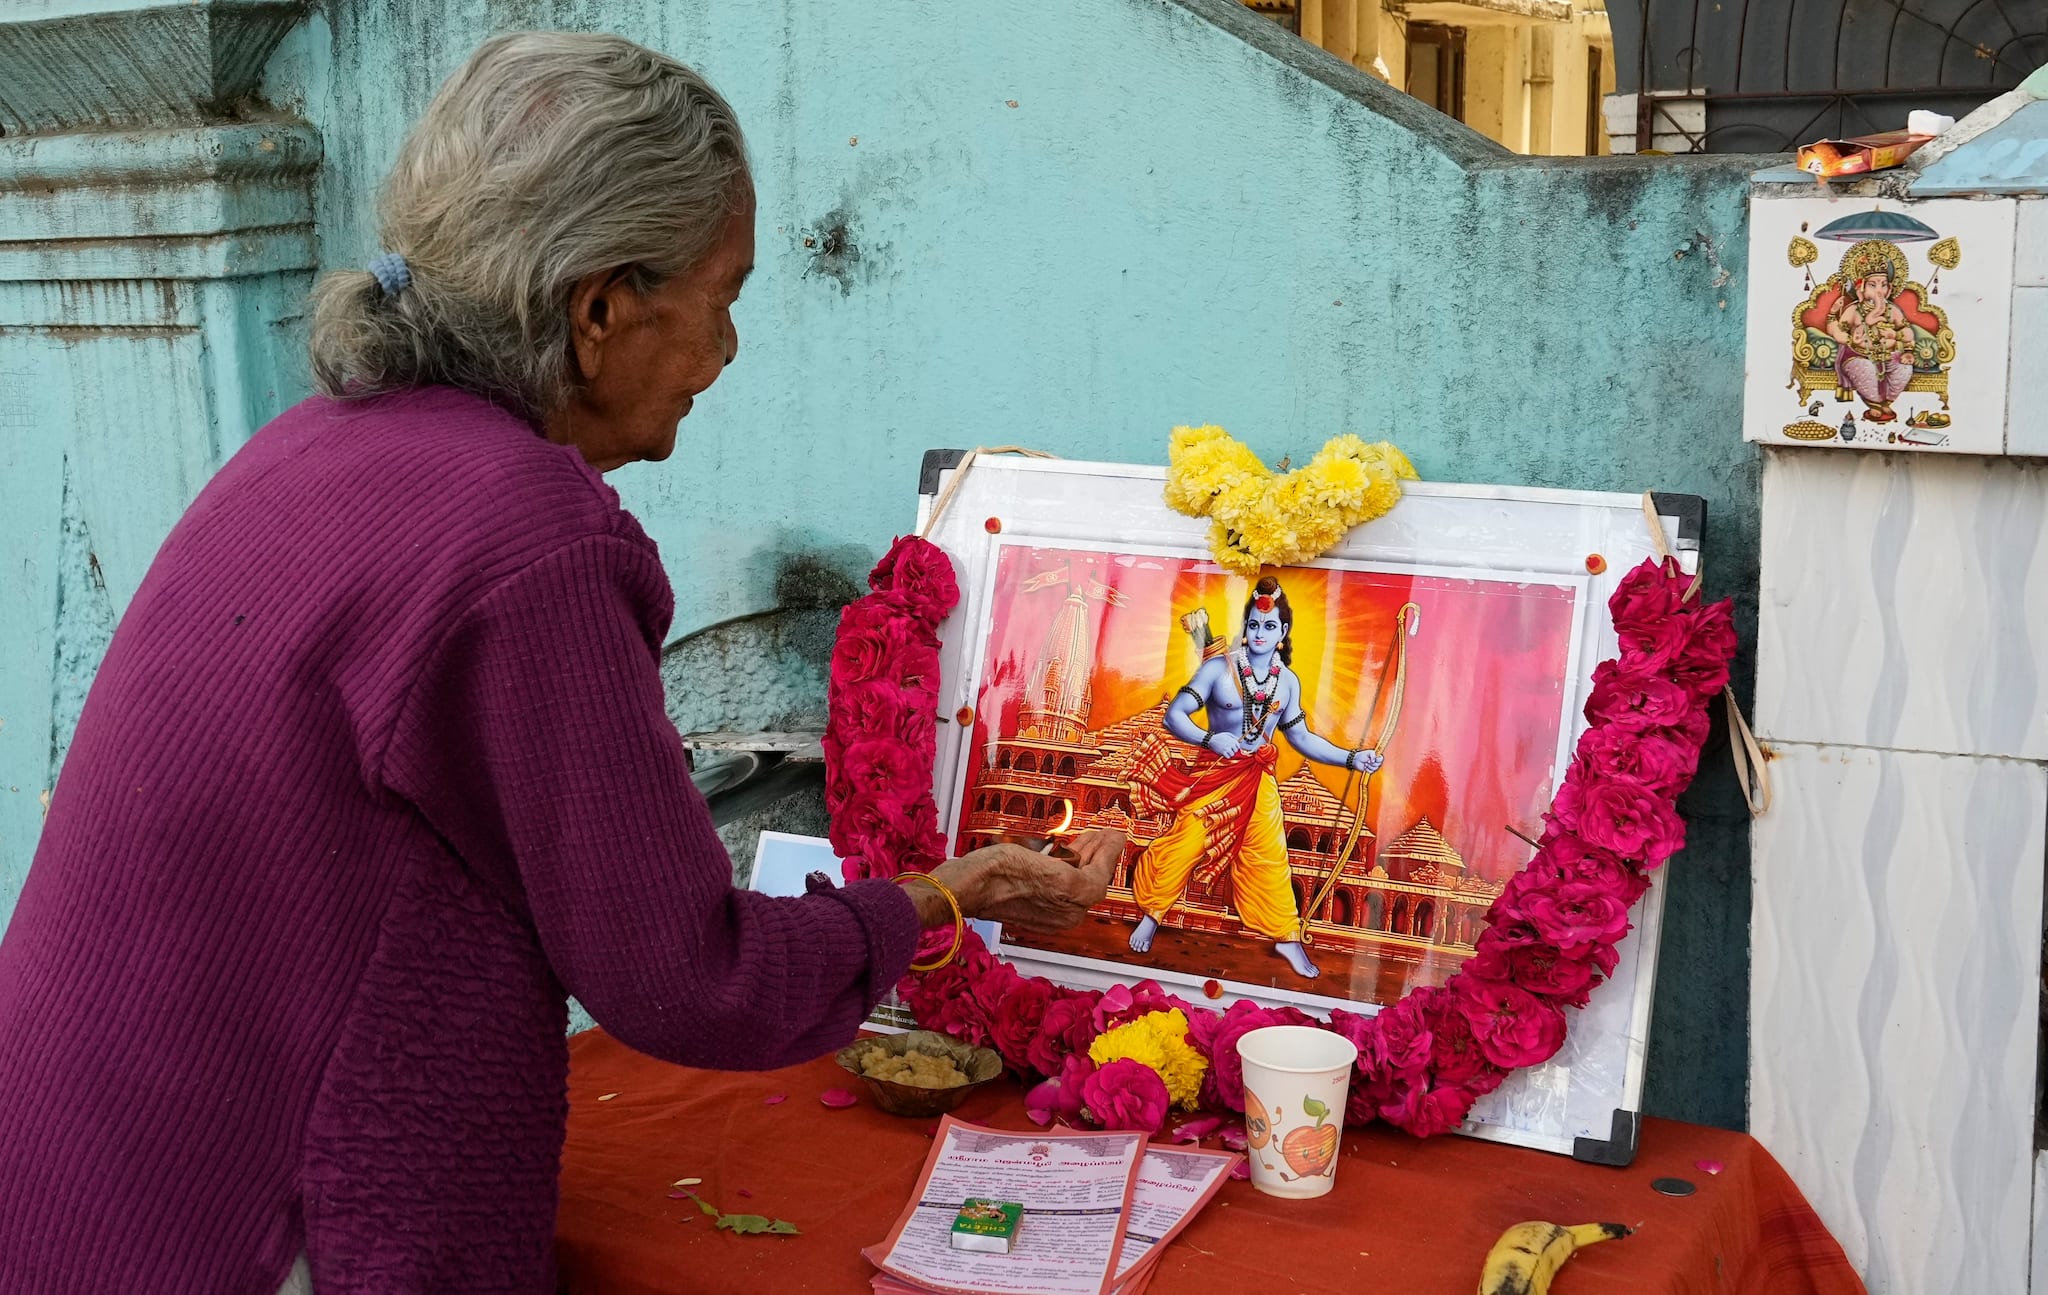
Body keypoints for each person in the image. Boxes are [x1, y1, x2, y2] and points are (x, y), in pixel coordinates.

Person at [0, 32, 1119, 1295]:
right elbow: (689, 978)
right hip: (256, 1227)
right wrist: (936, 895)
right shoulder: (528, 535)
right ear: (597, 309)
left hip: (73, 1172)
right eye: (724, 294)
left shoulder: (314, 444)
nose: (731, 348)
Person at [1125, 576, 1380, 980]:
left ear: (1283, 633)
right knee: (1186, 840)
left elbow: (1301, 738)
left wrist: (1352, 758)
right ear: (1245, 627)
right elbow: (1174, 716)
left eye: (1270, 627)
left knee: (1270, 857)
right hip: (1215, 773)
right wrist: (1211, 738)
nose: (1260, 633)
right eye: (1254, 625)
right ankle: (1152, 915)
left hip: (1258, 778)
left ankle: (1287, 937)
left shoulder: (1288, 682)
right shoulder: (1218, 669)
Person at [1826, 249, 1916, 423]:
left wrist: (1899, 339)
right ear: (1861, 289)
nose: (1879, 291)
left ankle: (1887, 401)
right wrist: (1850, 338)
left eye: (1883, 285)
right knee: (1864, 369)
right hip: (1858, 354)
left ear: (1889, 289)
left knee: (1904, 369)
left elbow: (1907, 332)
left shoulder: (1892, 310)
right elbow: (1837, 331)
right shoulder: (1854, 310)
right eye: (1873, 285)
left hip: (1889, 354)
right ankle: (1874, 403)